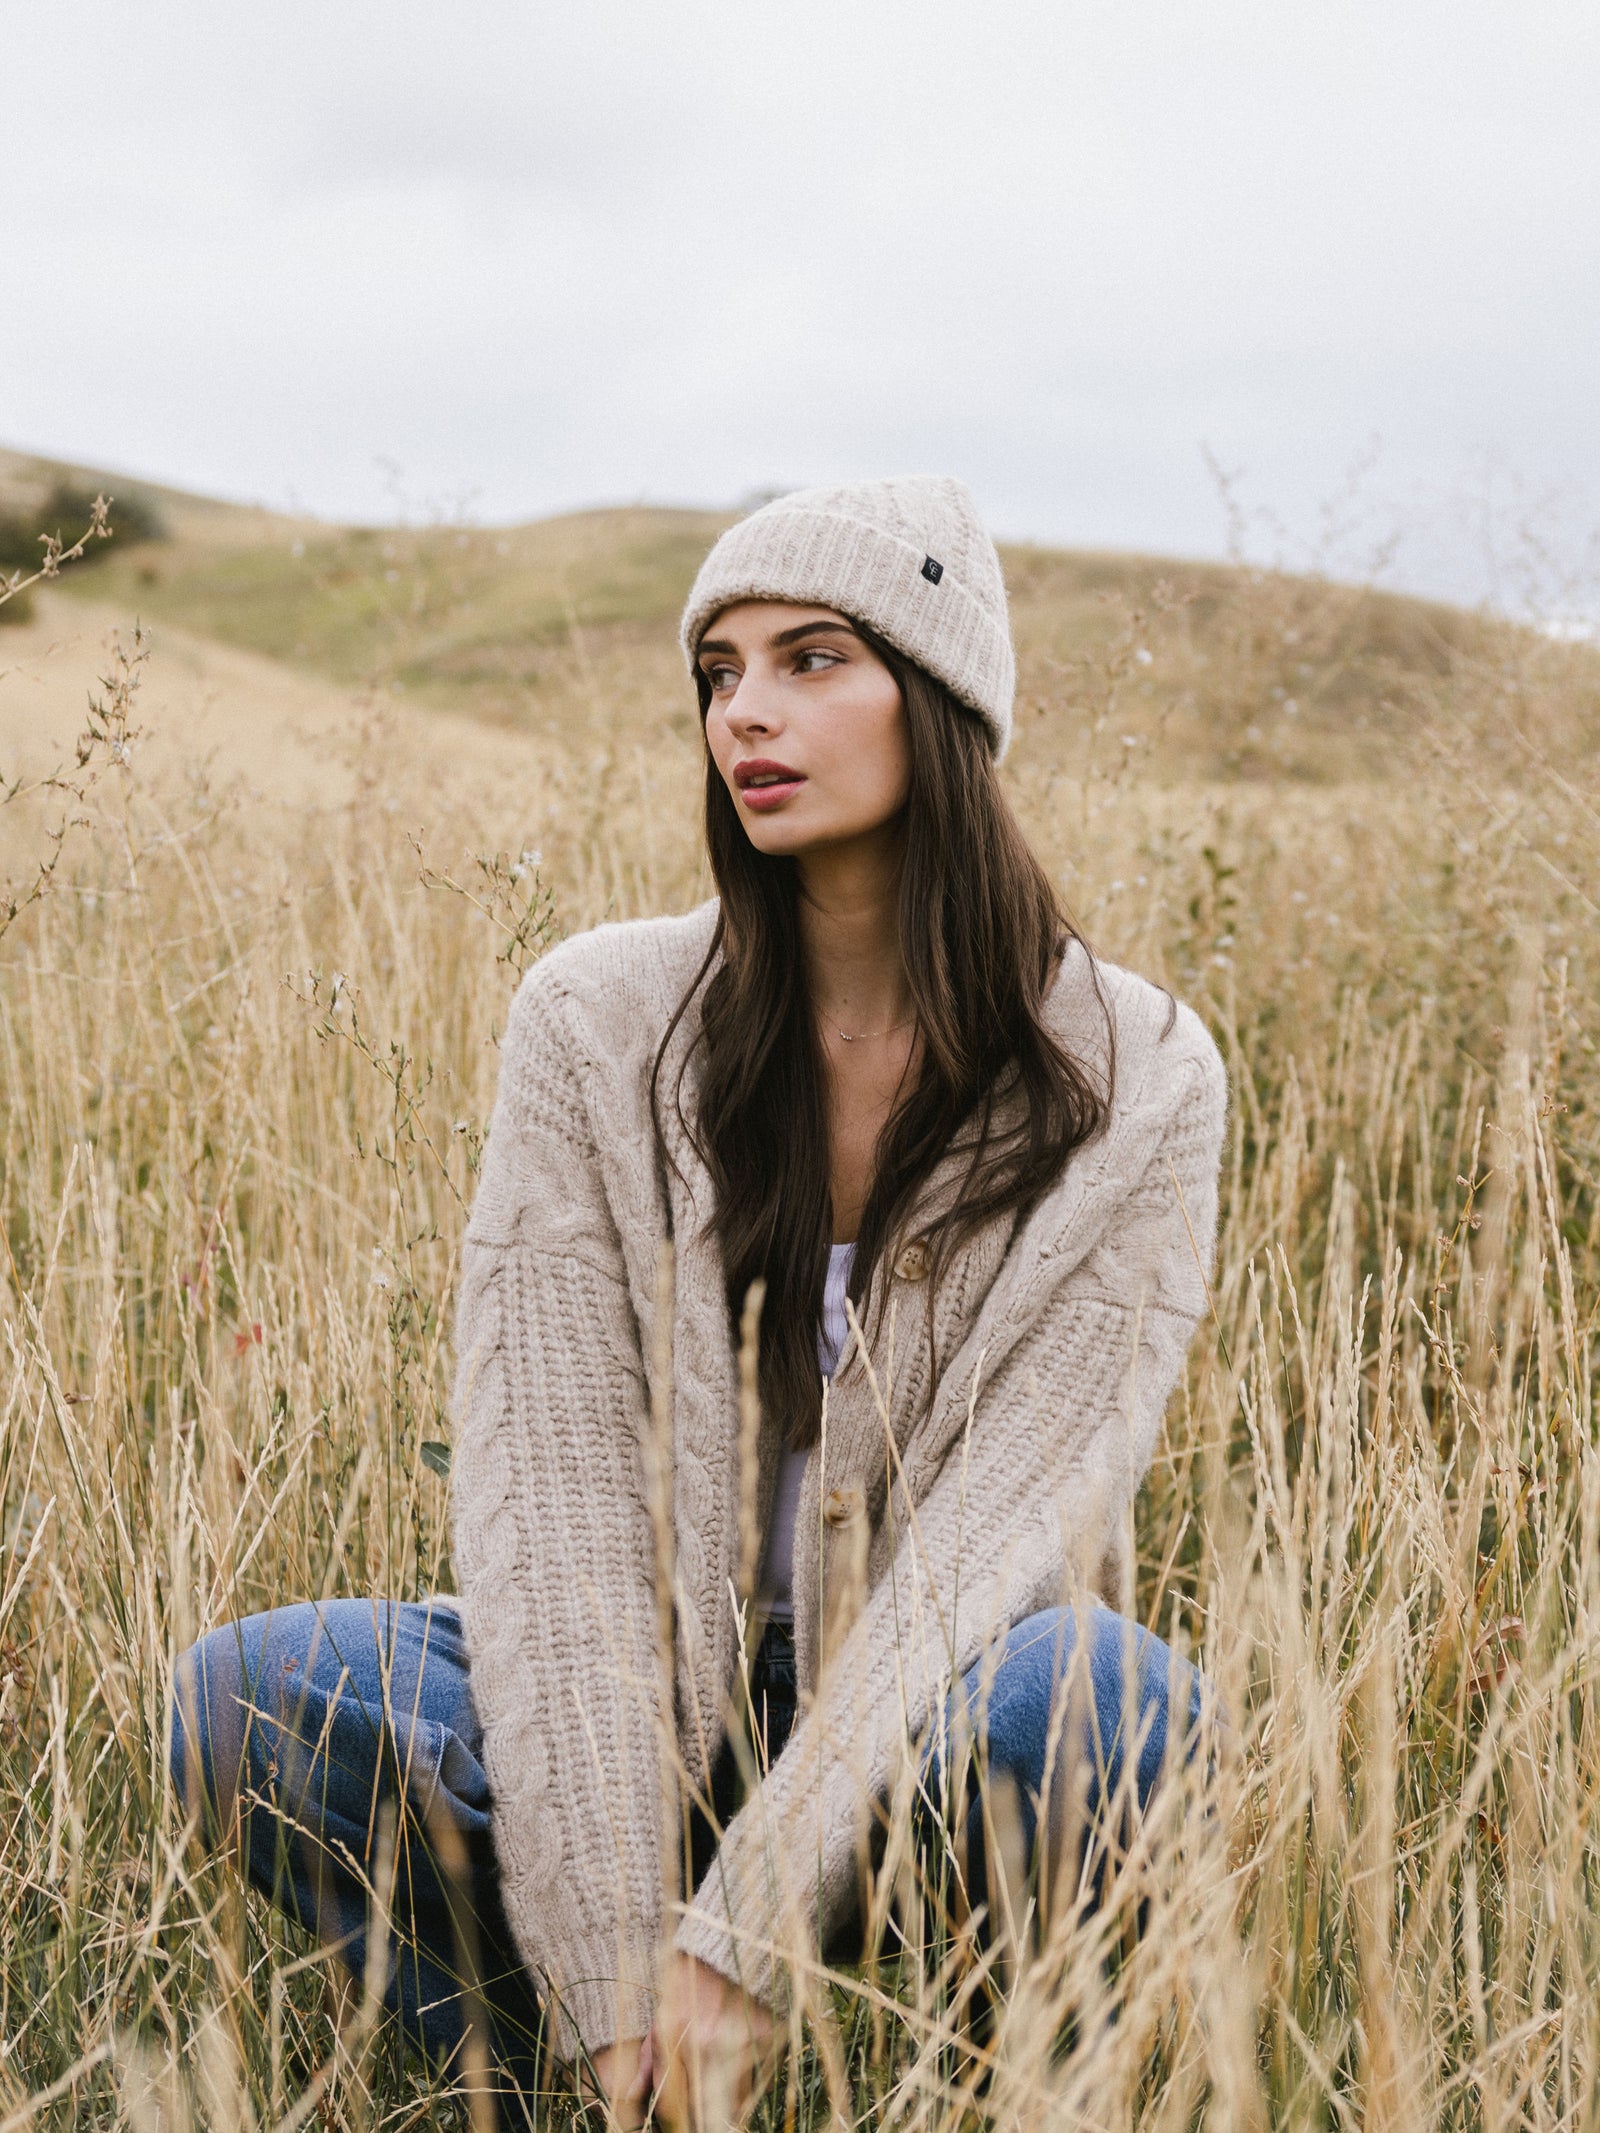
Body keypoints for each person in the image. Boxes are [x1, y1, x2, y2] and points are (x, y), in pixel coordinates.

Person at [170, 476, 1228, 2129]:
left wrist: (741, 1925)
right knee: (246, 1693)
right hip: (647, 1692)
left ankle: (947, 2068)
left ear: (941, 697)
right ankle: (568, 2073)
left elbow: (1008, 1528)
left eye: (812, 659)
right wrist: (614, 1965)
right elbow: (561, 1509)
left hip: (926, 1710)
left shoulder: (1138, 1075)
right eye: (719, 672)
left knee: (1109, 1696)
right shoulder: (597, 1021)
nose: (749, 713)